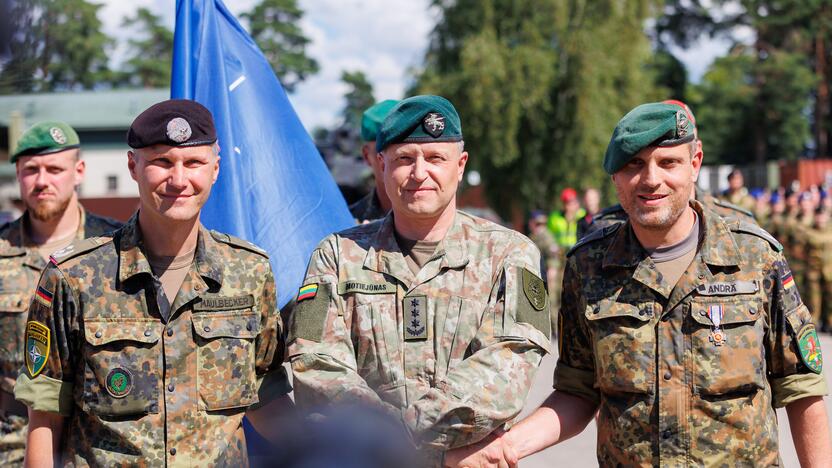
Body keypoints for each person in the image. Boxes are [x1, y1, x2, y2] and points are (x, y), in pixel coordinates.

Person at [446, 101, 832, 467]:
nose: (651, 180)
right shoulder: (588, 267)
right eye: (634, 165)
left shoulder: (754, 256)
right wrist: (505, 448)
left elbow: (801, 387)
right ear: (615, 176)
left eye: (668, 163)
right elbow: (577, 392)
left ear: (694, 164)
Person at [14, 100, 292, 466]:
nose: (179, 180)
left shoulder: (249, 271)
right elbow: (46, 414)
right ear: (133, 166)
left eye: (193, 163)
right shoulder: (74, 276)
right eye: (162, 162)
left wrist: (340, 442)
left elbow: (266, 394)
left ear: (215, 169)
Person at [287, 95, 550, 466]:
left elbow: (509, 366)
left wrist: (394, 436)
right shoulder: (336, 255)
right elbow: (316, 366)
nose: (419, 173)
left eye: (436, 158)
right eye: (405, 159)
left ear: (460, 166)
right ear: (382, 165)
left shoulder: (508, 254)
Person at [0, 121, 122, 466]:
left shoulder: (116, 248)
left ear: (78, 170)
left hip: (96, 446)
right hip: (13, 446)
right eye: (30, 170)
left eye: (54, 169)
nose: (42, 181)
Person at [349, 100, 399, 223]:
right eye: (383, 151)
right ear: (367, 156)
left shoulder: (442, 219)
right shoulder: (347, 221)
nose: (392, 159)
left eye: (405, 154)